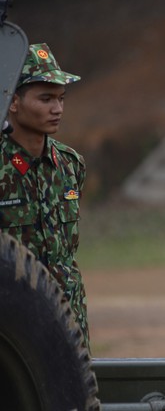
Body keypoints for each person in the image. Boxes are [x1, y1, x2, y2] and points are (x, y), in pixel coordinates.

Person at [0, 43, 90, 350]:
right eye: (46, 98)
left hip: (69, 322)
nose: (58, 109)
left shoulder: (70, 164)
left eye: (61, 98)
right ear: (13, 101)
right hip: (13, 328)